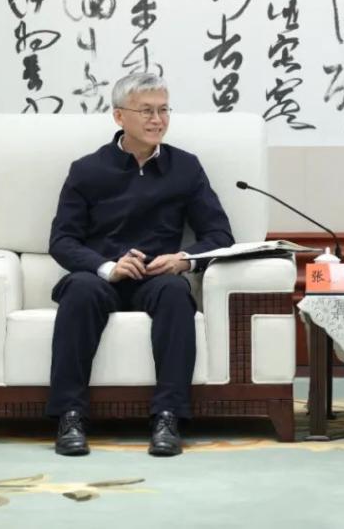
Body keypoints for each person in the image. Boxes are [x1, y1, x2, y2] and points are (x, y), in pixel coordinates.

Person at [46, 73, 234, 457]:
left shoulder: (185, 168)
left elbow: (219, 234)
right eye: (146, 111)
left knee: (175, 294)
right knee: (80, 290)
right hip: (101, 275)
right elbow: (62, 240)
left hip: (156, 276)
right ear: (119, 116)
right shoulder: (87, 170)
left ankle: (168, 417)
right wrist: (107, 267)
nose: (157, 120)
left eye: (164, 110)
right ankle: (70, 416)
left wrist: (183, 259)